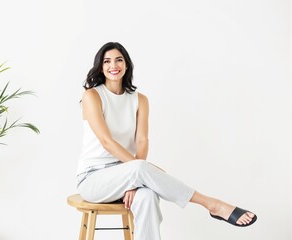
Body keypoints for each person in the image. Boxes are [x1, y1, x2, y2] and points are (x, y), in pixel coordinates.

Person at [76, 42, 257, 240]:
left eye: (119, 60)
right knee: (141, 169)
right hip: (94, 179)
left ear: (127, 65)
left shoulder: (140, 100)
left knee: (148, 196)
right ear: (100, 67)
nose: (114, 65)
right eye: (107, 61)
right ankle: (212, 204)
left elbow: (142, 140)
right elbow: (106, 141)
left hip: (129, 173)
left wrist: (136, 179)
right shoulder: (92, 96)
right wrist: (139, 170)